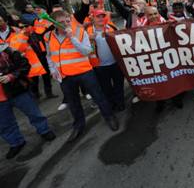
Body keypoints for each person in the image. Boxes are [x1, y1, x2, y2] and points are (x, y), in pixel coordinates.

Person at [45, 10, 118, 143]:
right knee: (73, 103)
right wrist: (52, 69)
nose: (65, 24)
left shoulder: (79, 32)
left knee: (99, 97)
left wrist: (72, 38)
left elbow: (87, 51)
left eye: (67, 21)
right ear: (54, 23)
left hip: (84, 72)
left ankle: (109, 117)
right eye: (61, 22)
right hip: (65, 77)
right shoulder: (48, 36)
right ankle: (79, 126)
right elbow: (49, 55)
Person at [0, 42, 56, 159]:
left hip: (17, 90)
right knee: (5, 124)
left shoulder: (9, 51)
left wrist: (12, 76)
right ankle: (16, 143)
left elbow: (25, 66)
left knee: (34, 113)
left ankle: (44, 130)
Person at [86, 10, 125, 112]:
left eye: (102, 16)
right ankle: (111, 105)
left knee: (119, 86)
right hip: (99, 67)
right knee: (106, 88)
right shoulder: (87, 32)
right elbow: (82, 48)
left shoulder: (111, 28)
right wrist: (87, 39)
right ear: (93, 19)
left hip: (116, 64)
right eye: (98, 17)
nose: (100, 18)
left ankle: (120, 104)